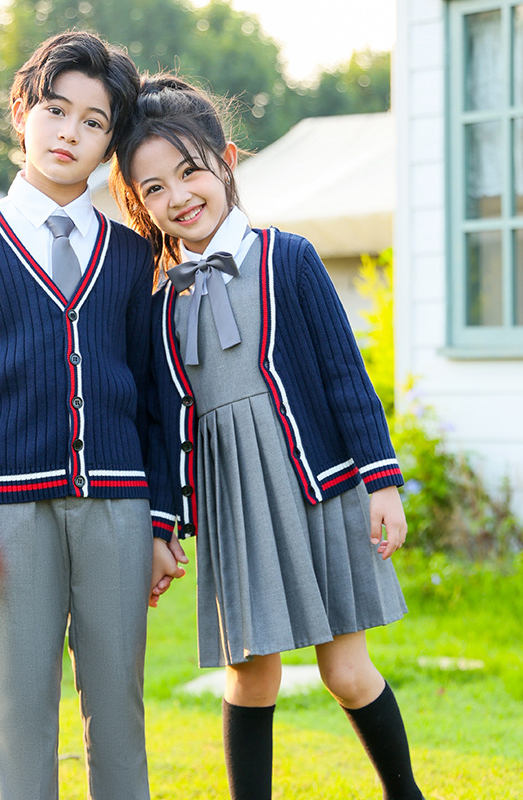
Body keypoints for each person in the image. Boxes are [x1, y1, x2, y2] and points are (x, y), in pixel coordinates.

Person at [110, 74, 426, 800]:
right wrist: (164, 528)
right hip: (233, 507)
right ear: (138, 202)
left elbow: (346, 377)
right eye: (153, 188)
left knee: (346, 671)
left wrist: (383, 483)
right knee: (251, 675)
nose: (178, 197)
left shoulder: (290, 258)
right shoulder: (157, 303)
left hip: (316, 487)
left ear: (225, 160)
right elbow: (159, 426)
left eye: (189, 172)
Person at [0, 34, 182, 800]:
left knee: (118, 706)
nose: (70, 132)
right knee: (22, 706)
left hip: (120, 508)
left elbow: (158, 398)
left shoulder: (134, 257)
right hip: (6, 515)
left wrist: (164, 522)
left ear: (111, 141)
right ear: (23, 113)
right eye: (55, 110)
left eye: (95, 122)